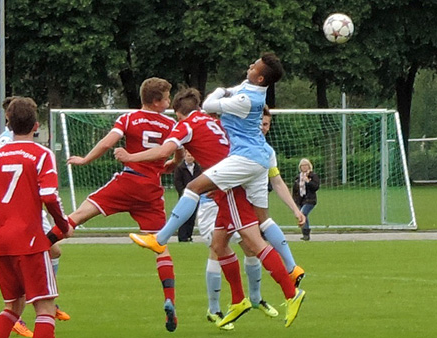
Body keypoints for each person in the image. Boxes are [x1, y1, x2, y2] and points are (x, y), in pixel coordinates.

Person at [116, 83, 301, 329]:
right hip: (232, 179)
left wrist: (130, 157)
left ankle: (291, 293)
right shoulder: (210, 119)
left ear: (177, 112)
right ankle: (238, 300)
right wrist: (176, 161)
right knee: (219, 244)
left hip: (229, 187)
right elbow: (189, 149)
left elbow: (164, 150)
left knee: (253, 241)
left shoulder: (186, 125)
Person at [48, 77, 182, 332]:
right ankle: (169, 299)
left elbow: (109, 142)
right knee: (160, 246)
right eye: (166, 98)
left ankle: (39, 249)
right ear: (156, 102)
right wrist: (173, 164)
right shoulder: (170, 123)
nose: (168, 102)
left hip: (128, 181)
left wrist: (86, 159)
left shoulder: (129, 118)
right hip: (151, 190)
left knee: (75, 217)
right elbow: (177, 152)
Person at [0, 97, 73, 338]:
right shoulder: (42, 154)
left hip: (1, 241)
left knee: (13, 307)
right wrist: (64, 225)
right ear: (36, 125)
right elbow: (49, 197)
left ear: (8, 124)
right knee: (46, 309)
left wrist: (3, 218)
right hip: (29, 240)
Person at [260, 107, 306, 284]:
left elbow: (277, 181)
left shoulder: (268, 151)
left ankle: (290, 274)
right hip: (236, 198)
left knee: (226, 246)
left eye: (266, 124)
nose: (262, 127)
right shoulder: (237, 142)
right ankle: (291, 269)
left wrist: (296, 209)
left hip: (249, 199)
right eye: (260, 123)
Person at [173, 150, 202, 242]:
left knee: (192, 216)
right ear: (185, 156)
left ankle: (189, 235)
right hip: (184, 196)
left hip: (196, 195)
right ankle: (182, 237)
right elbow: (177, 182)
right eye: (188, 155)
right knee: (183, 216)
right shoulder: (180, 168)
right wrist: (183, 193)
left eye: (191, 155)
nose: (190, 157)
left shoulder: (198, 168)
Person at [292, 158, 320, 241]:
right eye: (302, 165)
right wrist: (294, 200)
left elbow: (316, 187)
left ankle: (306, 234)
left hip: (310, 200)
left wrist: (308, 181)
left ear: (309, 166)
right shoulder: (298, 177)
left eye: (306, 165)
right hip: (300, 200)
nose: (304, 167)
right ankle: (305, 234)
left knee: (303, 213)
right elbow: (295, 189)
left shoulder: (313, 176)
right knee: (303, 215)